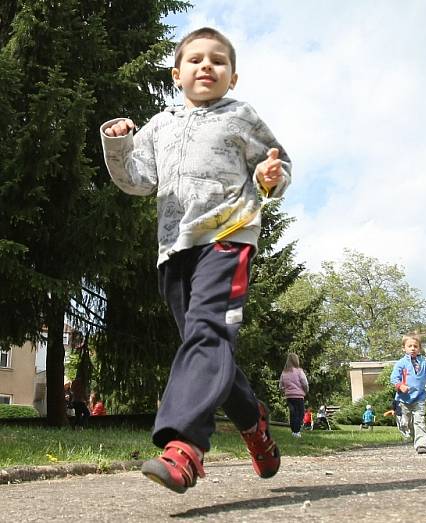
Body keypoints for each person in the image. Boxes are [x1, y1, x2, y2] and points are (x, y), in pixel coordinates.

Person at [100, 26, 291, 494]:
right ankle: (253, 421)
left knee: (206, 333)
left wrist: (269, 176)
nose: (207, 66)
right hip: (175, 249)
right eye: (196, 59)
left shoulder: (240, 116)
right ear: (177, 74)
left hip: (227, 237)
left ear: (233, 76)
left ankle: (184, 447)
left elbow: (278, 163)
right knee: (203, 343)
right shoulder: (161, 125)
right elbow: (137, 181)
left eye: (218, 61)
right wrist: (119, 142)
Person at [390, 334, 426, 454]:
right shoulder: (401, 363)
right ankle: (411, 434)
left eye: (415, 346)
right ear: (404, 348)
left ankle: (421, 444)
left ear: (419, 348)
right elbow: (394, 378)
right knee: (405, 423)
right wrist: (400, 386)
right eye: (410, 346)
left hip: (419, 398)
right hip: (403, 399)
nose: (413, 348)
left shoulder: (424, 363)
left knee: (419, 421)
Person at [279, 353, 309, 438]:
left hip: (289, 396)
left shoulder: (284, 372)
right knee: (300, 414)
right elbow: (305, 383)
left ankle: (294, 431)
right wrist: (306, 391)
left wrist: (284, 391)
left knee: (293, 414)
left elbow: (280, 385)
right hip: (299, 396)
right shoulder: (299, 371)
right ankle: (297, 431)